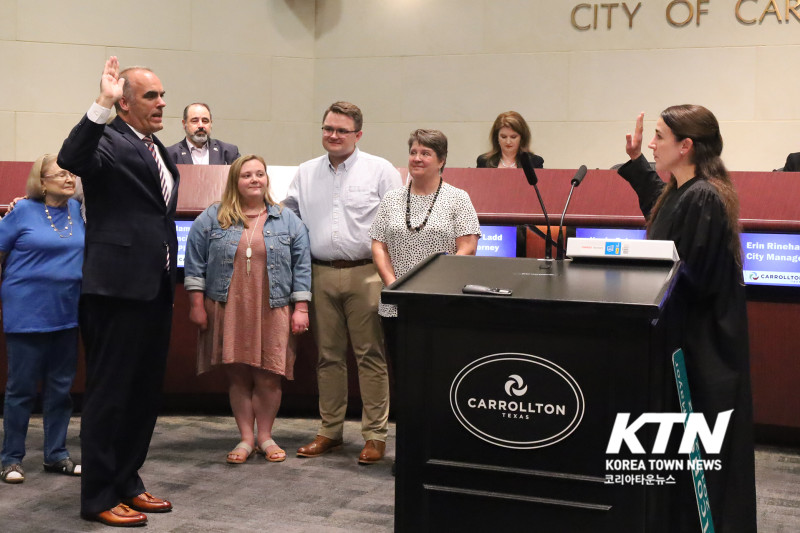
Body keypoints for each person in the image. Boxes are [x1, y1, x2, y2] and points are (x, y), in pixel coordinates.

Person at [618, 106, 757, 532]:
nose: (653, 143)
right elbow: (664, 223)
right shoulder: (685, 191)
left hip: (702, 354)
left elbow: (686, 270)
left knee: (700, 461)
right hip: (686, 345)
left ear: (686, 146)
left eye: (659, 137)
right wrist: (638, 162)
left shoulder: (704, 196)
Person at [57, 56, 179, 527]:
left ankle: (128, 481)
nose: (161, 102)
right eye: (151, 96)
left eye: (162, 94)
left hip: (154, 290)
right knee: (110, 396)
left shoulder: (157, 148)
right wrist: (99, 106)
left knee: (144, 395)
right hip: (115, 290)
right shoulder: (108, 138)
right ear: (125, 103)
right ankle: (99, 496)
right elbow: (71, 158)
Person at [283, 101, 402, 465]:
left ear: (358, 135)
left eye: (341, 130)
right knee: (328, 357)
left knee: (370, 355)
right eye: (327, 129)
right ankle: (330, 430)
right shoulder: (305, 172)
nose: (332, 136)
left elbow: (397, 224)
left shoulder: (380, 170)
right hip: (318, 273)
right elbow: (288, 217)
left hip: (367, 272)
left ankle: (375, 435)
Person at [184, 155, 311, 464]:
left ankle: (265, 437)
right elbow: (195, 263)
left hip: (274, 306)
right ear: (235, 182)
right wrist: (197, 305)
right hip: (228, 306)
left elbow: (302, 266)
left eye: (259, 174)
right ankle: (245, 438)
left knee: (269, 376)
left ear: (267, 179)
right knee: (238, 375)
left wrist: (302, 308)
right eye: (247, 175)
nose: (254, 179)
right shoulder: (213, 217)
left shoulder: (288, 219)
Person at [0, 155, 85, 484]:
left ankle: (56, 454)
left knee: (61, 389)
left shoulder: (76, 210)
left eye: (70, 173)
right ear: (42, 181)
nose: (68, 178)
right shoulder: (21, 210)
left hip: (66, 311)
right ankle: (11, 459)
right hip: (27, 312)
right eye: (60, 174)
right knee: (20, 389)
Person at [371, 129, 481, 319]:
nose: (417, 158)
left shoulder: (458, 198)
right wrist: (394, 287)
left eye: (425, 153)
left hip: (441, 302)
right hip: (397, 303)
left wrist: (433, 288)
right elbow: (379, 247)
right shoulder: (391, 199)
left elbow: (468, 249)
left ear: (441, 160)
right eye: (413, 152)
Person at [166, 103, 241, 165]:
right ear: (184, 124)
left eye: (205, 121)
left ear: (211, 124)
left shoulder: (228, 152)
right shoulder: (170, 154)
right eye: (195, 121)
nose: (201, 125)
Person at [476, 111, 544, 169]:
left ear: (522, 138)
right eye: (503, 137)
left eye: (513, 137)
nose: (508, 142)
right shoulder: (484, 161)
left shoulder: (534, 162)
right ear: (496, 137)